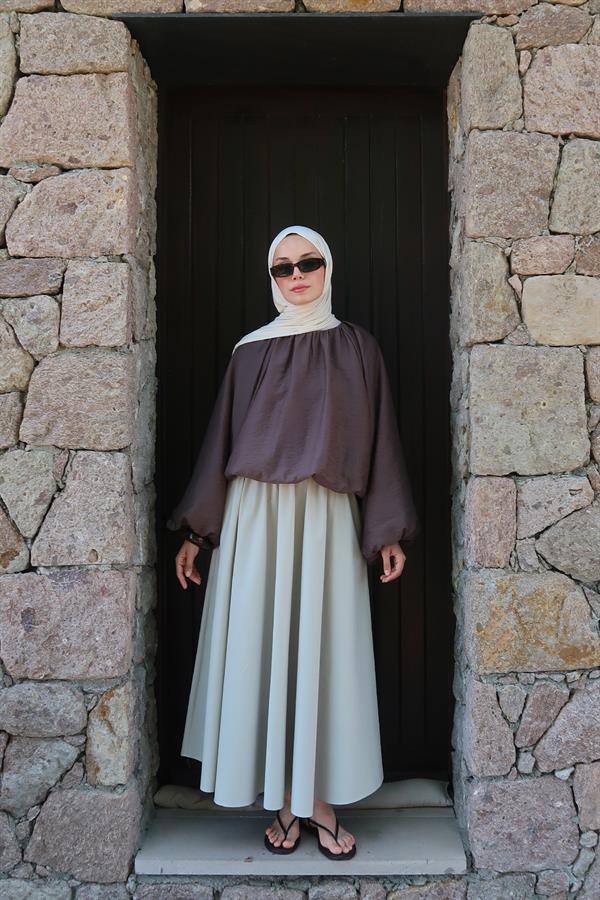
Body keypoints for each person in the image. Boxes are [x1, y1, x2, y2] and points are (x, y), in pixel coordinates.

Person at [168, 224, 420, 860]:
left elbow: (382, 439)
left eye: (308, 262)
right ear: (271, 278)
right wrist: (199, 532)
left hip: (326, 516)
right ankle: (284, 798)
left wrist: (386, 528)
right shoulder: (248, 351)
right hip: (256, 521)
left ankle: (317, 800)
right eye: (282, 268)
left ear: (328, 269)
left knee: (320, 648)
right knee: (266, 647)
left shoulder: (358, 348)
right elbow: (220, 446)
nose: (296, 275)